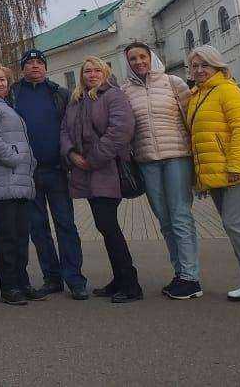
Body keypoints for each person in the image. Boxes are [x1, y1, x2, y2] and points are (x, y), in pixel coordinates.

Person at [186, 45, 240, 305]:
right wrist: (200, 177)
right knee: (231, 226)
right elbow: (198, 140)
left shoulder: (227, 89)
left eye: (205, 65)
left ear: (218, 67)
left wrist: (235, 166)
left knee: (237, 225)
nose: (200, 70)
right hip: (216, 173)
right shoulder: (197, 95)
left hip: (234, 171)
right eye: (195, 66)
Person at [120, 42, 201, 300]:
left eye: (142, 56)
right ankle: (180, 275)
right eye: (133, 59)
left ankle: (191, 277)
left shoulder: (173, 83)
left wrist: (198, 159)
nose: (138, 62)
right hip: (147, 160)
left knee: (180, 216)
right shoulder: (125, 91)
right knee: (164, 220)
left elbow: (191, 120)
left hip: (176, 156)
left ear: (151, 57)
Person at [61, 56, 142, 303]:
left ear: (105, 73)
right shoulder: (76, 100)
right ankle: (119, 279)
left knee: (108, 225)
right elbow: (64, 129)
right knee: (104, 226)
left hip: (108, 171)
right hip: (86, 172)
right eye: (87, 71)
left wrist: (93, 159)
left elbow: (121, 130)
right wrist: (72, 154)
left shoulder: (113, 96)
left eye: (97, 70)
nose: (91, 74)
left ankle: (130, 284)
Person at [10, 49, 88, 300]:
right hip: (27, 173)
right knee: (38, 228)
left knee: (66, 225)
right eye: (29, 63)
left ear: (45, 67)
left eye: (39, 63)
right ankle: (52, 277)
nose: (35, 67)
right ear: (22, 68)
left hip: (57, 170)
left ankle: (75, 279)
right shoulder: (13, 94)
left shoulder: (59, 93)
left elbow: (72, 128)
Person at [0, 62, 46, 305]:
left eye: (3, 79)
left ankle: (22, 282)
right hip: (4, 179)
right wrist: (15, 158)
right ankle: (9, 286)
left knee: (20, 234)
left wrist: (29, 163)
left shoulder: (4, 105)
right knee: (7, 236)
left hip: (19, 180)